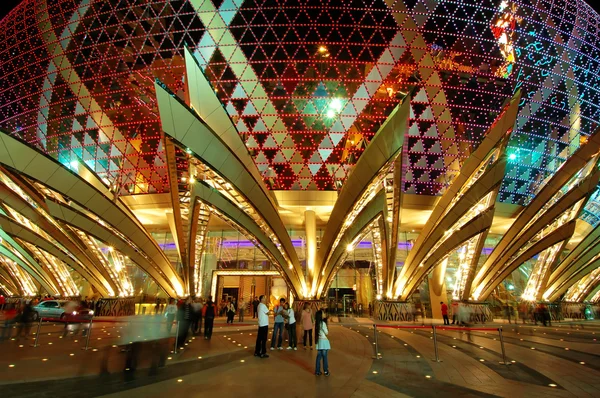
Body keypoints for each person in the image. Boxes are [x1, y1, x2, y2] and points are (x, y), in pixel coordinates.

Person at [314, 309, 330, 376]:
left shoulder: (317, 323)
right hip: (324, 341)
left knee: (318, 357)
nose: (324, 314)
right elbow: (326, 332)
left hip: (319, 341)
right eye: (323, 313)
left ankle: (317, 371)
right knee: (325, 357)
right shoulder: (323, 323)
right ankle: (326, 371)